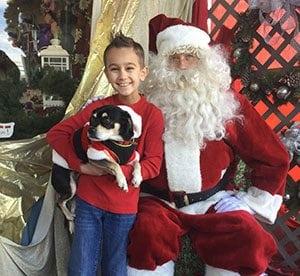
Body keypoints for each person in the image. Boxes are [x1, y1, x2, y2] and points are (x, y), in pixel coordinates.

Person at [127, 14, 290, 276]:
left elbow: (272, 155)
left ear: (205, 61)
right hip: (158, 202)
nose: (182, 64)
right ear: (162, 64)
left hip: (213, 201)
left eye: (190, 57)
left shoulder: (228, 103)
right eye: (174, 58)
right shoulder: (146, 104)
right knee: (146, 234)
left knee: (245, 237)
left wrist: (249, 202)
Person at [46, 33, 164, 276]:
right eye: (114, 69)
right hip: (89, 202)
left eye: (129, 68)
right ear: (107, 73)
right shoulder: (97, 108)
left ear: (143, 72)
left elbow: (154, 162)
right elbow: (56, 135)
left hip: (124, 206)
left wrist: (123, 170)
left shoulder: (152, 115)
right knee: (81, 267)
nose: (122, 76)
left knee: (115, 267)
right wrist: (81, 166)